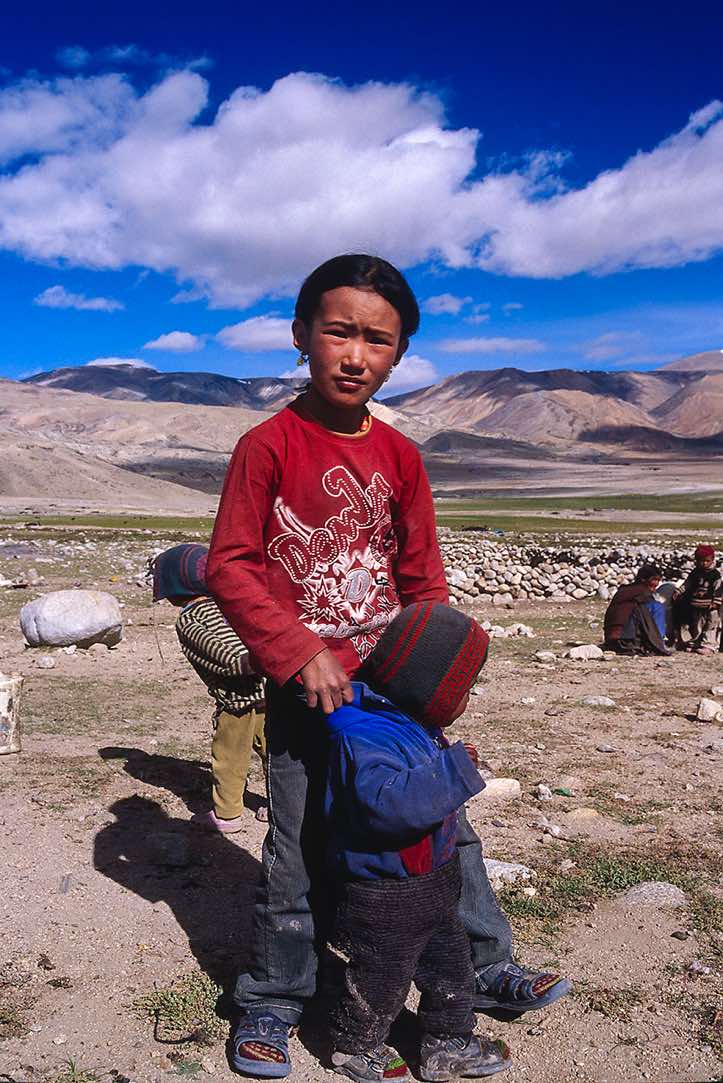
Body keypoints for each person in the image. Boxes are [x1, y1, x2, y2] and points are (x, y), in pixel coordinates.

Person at [206, 254, 570, 1078]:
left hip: (395, 692)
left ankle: (480, 968)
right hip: (306, 692)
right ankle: (275, 992)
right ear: (302, 336)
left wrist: (437, 675)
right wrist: (299, 651)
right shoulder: (266, 445)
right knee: (295, 843)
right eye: (338, 331)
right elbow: (230, 564)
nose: (354, 354)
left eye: (378, 339)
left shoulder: (402, 458)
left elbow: (423, 582)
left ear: (398, 355)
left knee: (448, 832)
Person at [327, 602, 511, 1083]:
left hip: (431, 883)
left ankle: (446, 1044)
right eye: (463, 689)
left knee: (452, 967)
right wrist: (451, 772)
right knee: (380, 976)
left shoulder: (411, 723)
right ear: (428, 684)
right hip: (387, 891)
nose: (467, 699)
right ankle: (355, 1045)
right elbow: (386, 807)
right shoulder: (364, 736)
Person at [152, 543, 267, 831]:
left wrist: (253, 663)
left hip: (237, 702)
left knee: (229, 757)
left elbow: (224, 656)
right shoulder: (228, 604)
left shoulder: (190, 619)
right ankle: (281, 805)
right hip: (269, 691)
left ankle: (228, 815)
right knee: (275, 752)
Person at [603, 563, 670, 655]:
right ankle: (659, 641)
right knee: (657, 607)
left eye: (658, 580)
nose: (657, 583)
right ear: (643, 579)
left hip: (611, 639)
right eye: (654, 579)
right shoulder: (642, 592)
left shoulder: (627, 590)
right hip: (625, 640)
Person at [673, 544, 723, 655]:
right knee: (696, 626)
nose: (704, 563)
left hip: (710, 606)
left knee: (710, 625)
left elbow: (718, 589)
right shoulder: (695, 573)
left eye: (707, 561)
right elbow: (687, 584)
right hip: (696, 604)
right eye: (701, 561)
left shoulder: (715, 575)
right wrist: (678, 591)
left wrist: (716, 602)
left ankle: (709, 645)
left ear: (712, 560)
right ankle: (696, 643)